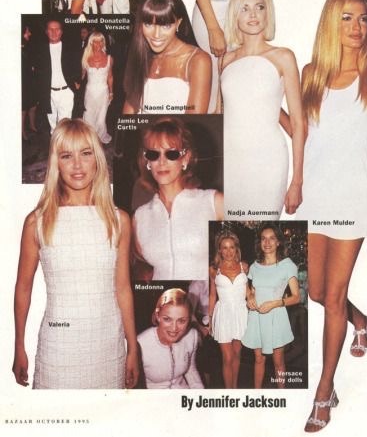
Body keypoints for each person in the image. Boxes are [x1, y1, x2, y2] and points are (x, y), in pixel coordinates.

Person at [297, 0, 367, 432]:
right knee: (317, 292)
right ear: (331, 22)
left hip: (351, 200)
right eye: (348, 18)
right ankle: (361, 319)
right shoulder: (311, 74)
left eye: (364, 19)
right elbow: (302, 135)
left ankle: (325, 391)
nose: (358, 28)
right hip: (313, 199)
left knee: (332, 297)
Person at [12, 119, 139, 389]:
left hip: (108, 346)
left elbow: (123, 288)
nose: (77, 165)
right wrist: (19, 345)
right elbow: (23, 288)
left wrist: (133, 347)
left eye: (86, 153)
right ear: (56, 163)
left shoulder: (119, 221)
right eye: (66, 156)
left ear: (98, 159)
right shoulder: (37, 222)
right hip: (59, 347)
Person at [220, 0, 304, 219]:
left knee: (263, 231)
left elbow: (298, 124)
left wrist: (297, 181)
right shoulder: (225, 60)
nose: (253, 14)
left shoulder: (283, 57)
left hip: (268, 161)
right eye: (245, 9)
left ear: (268, 13)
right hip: (230, 160)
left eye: (259, 7)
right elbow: (221, 113)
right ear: (235, 16)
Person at [132, 117, 223, 280]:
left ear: (185, 158)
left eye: (171, 154)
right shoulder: (139, 217)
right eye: (153, 154)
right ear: (147, 162)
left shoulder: (214, 203)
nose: (161, 162)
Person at [123, 0, 211, 114]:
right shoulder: (142, 54)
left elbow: (194, 122)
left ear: (178, 23)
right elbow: (129, 113)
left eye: (165, 26)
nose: (156, 35)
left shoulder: (198, 61)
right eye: (148, 24)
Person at [242, 224, 300, 388]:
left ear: (278, 242)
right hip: (257, 317)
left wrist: (275, 304)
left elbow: (297, 297)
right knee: (258, 360)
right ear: (260, 242)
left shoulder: (287, 265)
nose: (267, 243)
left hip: (276, 317)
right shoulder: (254, 266)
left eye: (271, 238)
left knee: (278, 362)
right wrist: (250, 298)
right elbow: (252, 291)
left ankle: (282, 396)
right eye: (263, 239)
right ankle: (257, 396)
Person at [137, 288, 203, 388]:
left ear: (189, 319)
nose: (174, 328)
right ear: (158, 316)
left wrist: (200, 393)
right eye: (167, 319)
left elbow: (191, 370)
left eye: (181, 321)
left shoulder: (192, 336)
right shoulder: (139, 344)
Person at [208, 230, 248, 388]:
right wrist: (210, 319)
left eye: (232, 247)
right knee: (228, 357)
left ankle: (235, 388)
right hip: (223, 314)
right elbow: (212, 295)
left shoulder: (244, 267)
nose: (228, 251)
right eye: (224, 247)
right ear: (219, 250)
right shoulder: (213, 269)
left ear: (236, 249)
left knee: (237, 355)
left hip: (241, 313)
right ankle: (228, 391)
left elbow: (249, 291)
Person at [34, 19, 81, 133]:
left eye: (57, 29)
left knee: (64, 125)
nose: (54, 32)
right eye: (51, 29)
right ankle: (55, 142)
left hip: (66, 92)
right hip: (48, 93)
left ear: (61, 31)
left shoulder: (70, 48)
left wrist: (77, 81)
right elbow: (37, 72)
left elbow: (77, 65)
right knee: (52, 125)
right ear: (46, 32)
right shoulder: (40, 50)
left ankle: (62, 143)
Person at [81, 31, 113, 144]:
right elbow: (82, 76)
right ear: (91, 43)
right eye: (95, 42)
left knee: (100, 120)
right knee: (89, 117)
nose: (98, 44)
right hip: (89, 92)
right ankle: (89, 139)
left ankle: (99, 137)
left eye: (101, 41)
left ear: (103, 43)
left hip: (103, 93)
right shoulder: (86, 58)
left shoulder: (109, 58)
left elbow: (110, 77)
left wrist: (111, 92)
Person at [22, 24, 38, 140]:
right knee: (23, 108)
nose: (30, 34)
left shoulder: (28, 45)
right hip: (23, 82)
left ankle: (32, 126)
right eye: (27, 32)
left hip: (31, 80)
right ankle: (22, 132)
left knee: (33, 105)